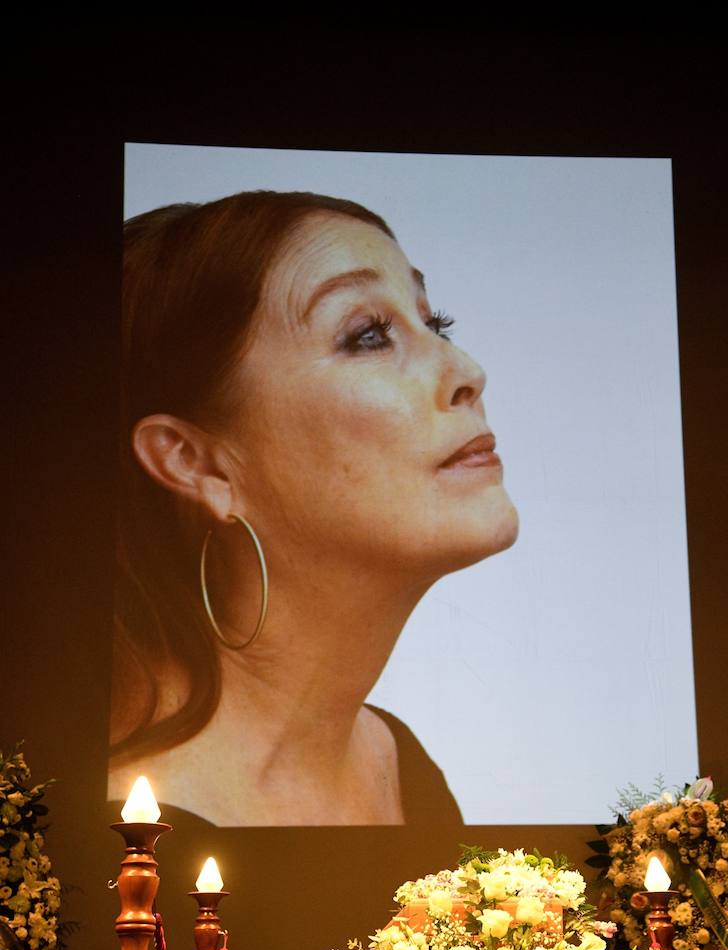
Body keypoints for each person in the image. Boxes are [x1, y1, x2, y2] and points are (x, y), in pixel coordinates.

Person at [108, 191, 519, 826]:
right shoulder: (130, 832)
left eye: (436, 324)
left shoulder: (401, 769)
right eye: (369, 335)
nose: (467, 370)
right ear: (197, 463)